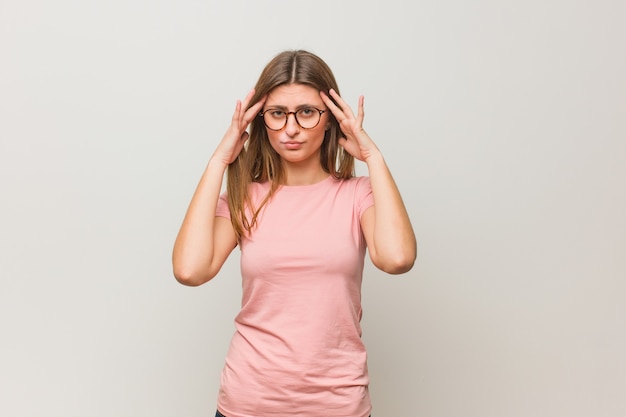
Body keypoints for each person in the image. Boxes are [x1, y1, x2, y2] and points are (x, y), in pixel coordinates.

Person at [172, 50, 416, 417]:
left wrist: (374, 157)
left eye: (306, 112)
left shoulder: (357, 194)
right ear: (261, 120)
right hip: (248, 403)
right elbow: (190, 270)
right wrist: (218, 161)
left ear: (331, 120)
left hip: (338, 404)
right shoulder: (243, 198)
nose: (290, 128)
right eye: (277, 114)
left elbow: (397, 259)